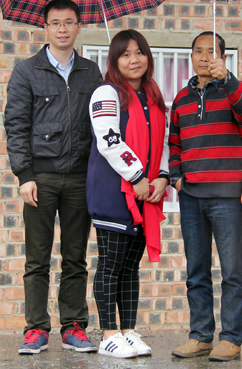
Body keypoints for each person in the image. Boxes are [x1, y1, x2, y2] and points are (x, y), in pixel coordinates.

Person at [4, 0, 102, 355]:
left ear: (79, 27)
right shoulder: (26, 71)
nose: (62, 29)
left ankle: (74, 326)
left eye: (69, 22)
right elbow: (16, 124)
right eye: (56, 23)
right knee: (37, 259)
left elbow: (102, 123)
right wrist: (24, 174)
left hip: (80, 178)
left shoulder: (92, 73)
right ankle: (36, 329)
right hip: (40, 179)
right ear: (45, 28)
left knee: (76, 258)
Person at [169, 31, 242, 362]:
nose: (205, 57)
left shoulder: (235, 89)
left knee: (232, 271)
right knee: (197, 271)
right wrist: (176, 178)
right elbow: (174, 142)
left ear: (223, 57)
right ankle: (200, 335)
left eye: (212, 52)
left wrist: (228, 79)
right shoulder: (181, 98)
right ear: (191, 56)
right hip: (191, 194)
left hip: (227, 196)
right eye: (199, 51)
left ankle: (231, 338)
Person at [86, 29, 169, 359]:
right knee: (111, 264)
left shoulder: (152, 95)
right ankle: (109, 334)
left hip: (145, 192)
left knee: (131, 267)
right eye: (125, 54)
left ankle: (129, 330)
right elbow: (109, 140)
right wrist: (137, 176)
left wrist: (161, 177)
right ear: (114, 60)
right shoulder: (106, 93)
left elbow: (162, 140)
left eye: (139, 52)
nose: (134, 60)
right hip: (114, 191)